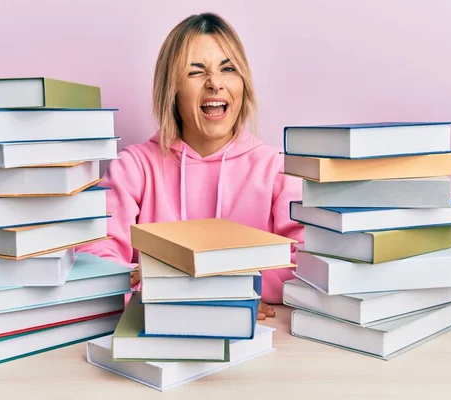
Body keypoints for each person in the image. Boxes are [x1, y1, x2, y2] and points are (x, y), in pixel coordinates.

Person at [77, 12, 304, 320]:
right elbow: (96, 257)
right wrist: (195, 293)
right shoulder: (133, 167)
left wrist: (220, 285)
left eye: (228, 69)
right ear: (172, 90)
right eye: (196, 72)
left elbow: (308, 264)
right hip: (159, 332)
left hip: (262, 339)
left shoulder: (278, 169)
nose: (215, 84)